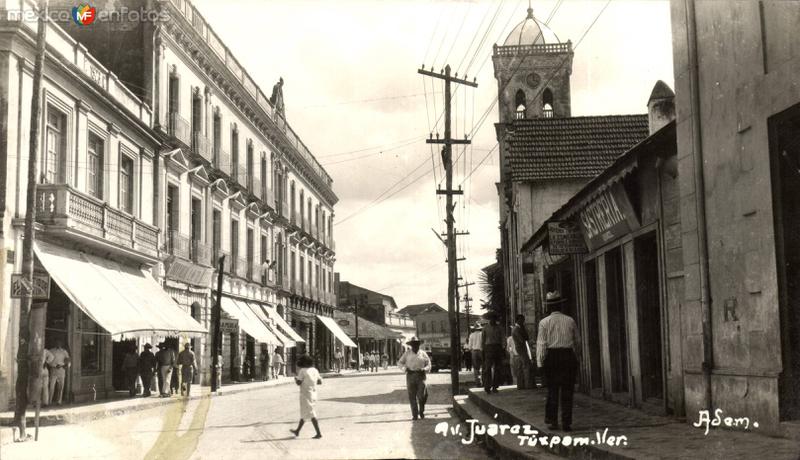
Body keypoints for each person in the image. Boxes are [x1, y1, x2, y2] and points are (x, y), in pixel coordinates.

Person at [537, 291, 581, 432]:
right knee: (568, 391)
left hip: (552, 358)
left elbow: (542, 344)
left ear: (549, 308)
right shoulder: (570, 320)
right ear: (561, 306)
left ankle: (553, 421)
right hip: (568, 356)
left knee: (553, 391)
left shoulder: (544, 323)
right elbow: (577, 342)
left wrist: (540, 363)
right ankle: (566, 422)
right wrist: (576, 357)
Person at [289, 354, 323, 439]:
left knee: (311, 413)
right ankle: (297, 431)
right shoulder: (315, 370)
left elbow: (298, 383)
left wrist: (296, 379)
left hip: (305, 394)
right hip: (314, 394)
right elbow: (320, 382)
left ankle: (319, 433)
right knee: (305, 413)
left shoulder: (302, 371)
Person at [398, 337, 431, 420]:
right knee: (412, 396)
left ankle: (421, 411)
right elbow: (400, 363)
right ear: (411, 345)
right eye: (413, 344)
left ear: (419, 345)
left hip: (421, 376)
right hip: (410, 376)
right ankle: (415, 415)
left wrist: (424, 369)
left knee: (422, 396)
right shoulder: (407, 354)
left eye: (417, 344)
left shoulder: (423, 353)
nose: (415, 345)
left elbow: (429, 364)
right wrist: (405, 369)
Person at [482, 312, 505, 394]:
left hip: (498, 348)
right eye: (491, 318)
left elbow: (503, 339)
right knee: (487, 368)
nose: (493, 320)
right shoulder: (485, 328)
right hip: (488, 348)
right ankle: (487, 386)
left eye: (494, 318)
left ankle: (495, 386)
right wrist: (483, 350)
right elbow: (483, 340)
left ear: (496, 319)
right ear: (489, 319)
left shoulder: (499, 328)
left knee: (498, 368)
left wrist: (503, 348)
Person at [512, 314, 533, 390]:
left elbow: (526, 337)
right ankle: (528, 384)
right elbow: (523, 339)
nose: (523, 321)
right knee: (526, 365)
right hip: (521, 348)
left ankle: (521, 385)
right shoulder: (516, 329)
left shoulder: (519, 328)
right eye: (522, 320)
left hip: (521, 348)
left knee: (521, 367)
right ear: (518, 320)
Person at [49, 340, 70, 405]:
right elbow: (48, 360)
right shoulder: (51, 351)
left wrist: (66, 366)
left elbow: (68, 360)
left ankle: (59, 401)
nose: (58, 344)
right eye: (57, 342)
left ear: (61, 343)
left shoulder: (64, 351)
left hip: (61, 370)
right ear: (55, 343)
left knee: (60, 386)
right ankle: (49, 401)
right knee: (51, 386)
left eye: (59, 343)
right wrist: (53, 365)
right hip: (53, 369)